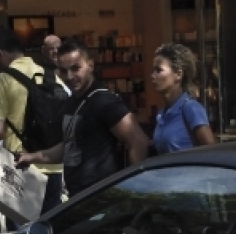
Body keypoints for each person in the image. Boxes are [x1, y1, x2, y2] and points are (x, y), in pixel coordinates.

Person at [17, 37, 150, 196]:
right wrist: (31, 157)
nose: (70, 76)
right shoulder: (72, 101)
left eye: (75, 68)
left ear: (90, 65)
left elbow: (139, 142)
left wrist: (136, 190)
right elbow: (68, 146)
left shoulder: (103, 101)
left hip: (103, 198)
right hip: (78, 197)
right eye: (64, 70)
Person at [0, 28, 65, 231]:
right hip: (55, 167)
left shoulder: (3, 80)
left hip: (21, 166)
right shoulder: (52, 77)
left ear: (1, 53)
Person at [150, 42, 216, 154]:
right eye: (153, 70)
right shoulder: (162, 114)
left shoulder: (191, 108)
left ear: (178, 74)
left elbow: (212, 151)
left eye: (159, 70)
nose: (153, 76)